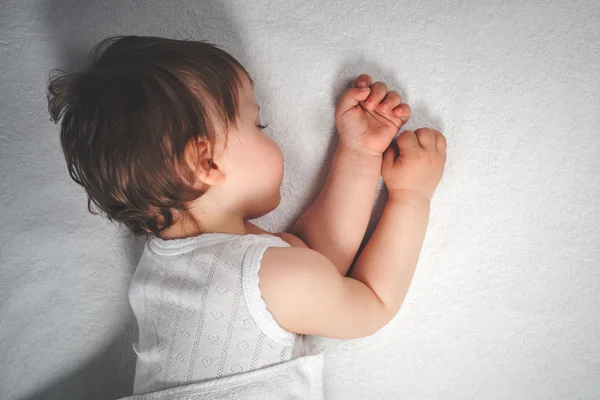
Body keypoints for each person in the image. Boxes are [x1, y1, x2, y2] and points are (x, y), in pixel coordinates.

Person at [47, 35, 447, 396]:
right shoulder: (267, 276)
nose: (266, 131)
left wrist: (360, 154)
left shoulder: (163, 273)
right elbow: (371, 302)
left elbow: (311, 257)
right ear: (205, 160)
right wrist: (412, 196)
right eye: (258, 124)